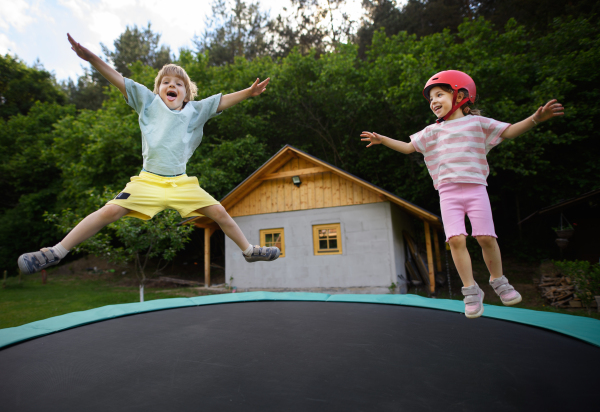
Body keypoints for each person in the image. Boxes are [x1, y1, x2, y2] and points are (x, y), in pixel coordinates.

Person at [18, 33, 280, 275]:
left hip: (180, 183)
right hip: (148, 182)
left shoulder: (196, 110)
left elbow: (221, 101)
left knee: (220, 212)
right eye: (166, 82)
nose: (171, 85)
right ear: (158, 89)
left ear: (186, 93)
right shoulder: (149, 102)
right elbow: (117, 77)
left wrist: (249, 92)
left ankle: (248, 251)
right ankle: (55, 252)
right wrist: (92, 59)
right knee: (110, 212)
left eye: (178, 83)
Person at [360, 70, 564, 318]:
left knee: (486, 238)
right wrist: (383, 139)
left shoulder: (478, 124)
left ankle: (498, 281)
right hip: (447, 193)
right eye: (431, 98)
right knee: (456, 239)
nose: (433, 101)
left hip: (476, 189)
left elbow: (509, 132)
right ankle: (471, 290)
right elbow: (407, 147)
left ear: (461, 95)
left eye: (439, 94)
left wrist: (535, 118)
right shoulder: (431, 131)